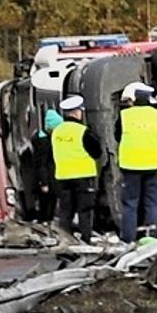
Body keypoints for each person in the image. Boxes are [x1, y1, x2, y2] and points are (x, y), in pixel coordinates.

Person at [116, 83, 157, 242]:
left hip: (131, 166)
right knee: (152, 203)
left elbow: (117, 135)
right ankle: (152, 236)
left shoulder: (125, 115)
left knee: (130, 204)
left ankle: (128, 238)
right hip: (154, 164)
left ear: (135, 99)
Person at [52, 96, 102, 243]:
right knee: (85, 210)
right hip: (83, 176)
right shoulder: (83, 131)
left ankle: (65, 240)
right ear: (76, 112)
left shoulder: (57, 132)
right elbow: (96, 152)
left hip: (63, 176)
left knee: (65, 211)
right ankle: (85, 240)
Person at [31, 109, 64, 223]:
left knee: (48, 205)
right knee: (47, 206)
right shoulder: (44, 142)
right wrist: (44, 183)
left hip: (48, 179)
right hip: (47, 180)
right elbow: (42, 164)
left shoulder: (42, 138)